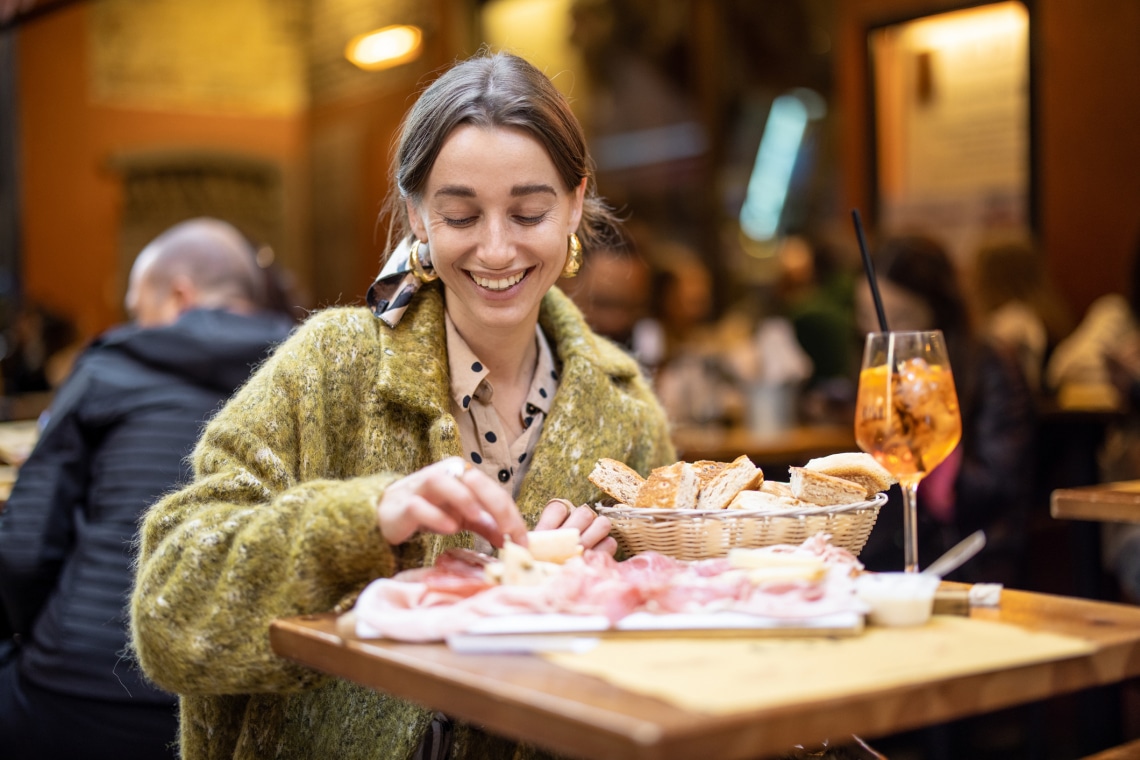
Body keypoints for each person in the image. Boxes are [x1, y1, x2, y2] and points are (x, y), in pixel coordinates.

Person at [129, 52, 675, 760]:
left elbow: (668, 658)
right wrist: (365, 522)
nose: (497, 247)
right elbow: (169, 619)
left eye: (530, 211)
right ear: (418, 215)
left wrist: (620, 573)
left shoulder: (624, 407)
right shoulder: (331, 368)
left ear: (575, 203)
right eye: (459, 214)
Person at [0, 217, 295, 760]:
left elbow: (22, 550)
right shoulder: (306, 373)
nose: (135, 324)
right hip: (236, 714)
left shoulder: (110, 364)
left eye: (139, 310)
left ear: (179, 296)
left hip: (70, 698)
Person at [854, 235, 1035, 588]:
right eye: (866, 316)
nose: (878, 333)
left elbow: (1001, 487)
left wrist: (933, 459)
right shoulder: (875, 369)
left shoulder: (989, 365)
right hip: (891, 558)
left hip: (972, 559)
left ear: (937, 310)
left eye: (901, 317)